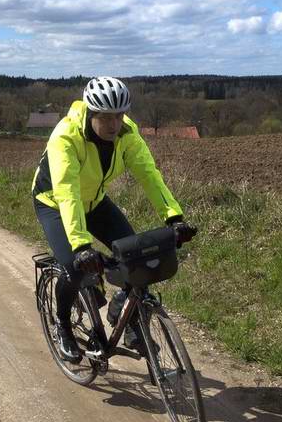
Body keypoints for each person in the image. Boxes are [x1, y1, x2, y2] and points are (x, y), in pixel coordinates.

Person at [32, 76, 185, 362]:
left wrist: (173, 216)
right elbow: (67, 192)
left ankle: (126, 317)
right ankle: (63, 325)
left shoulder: (127, 134)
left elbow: (148, 174)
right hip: (53, 202)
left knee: (136, 260)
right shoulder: (66, 137)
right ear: (91, 113)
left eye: (119, 116)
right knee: (74, 269)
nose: (113, 125)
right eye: (105, 117)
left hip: (96, 202)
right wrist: (80, 246)